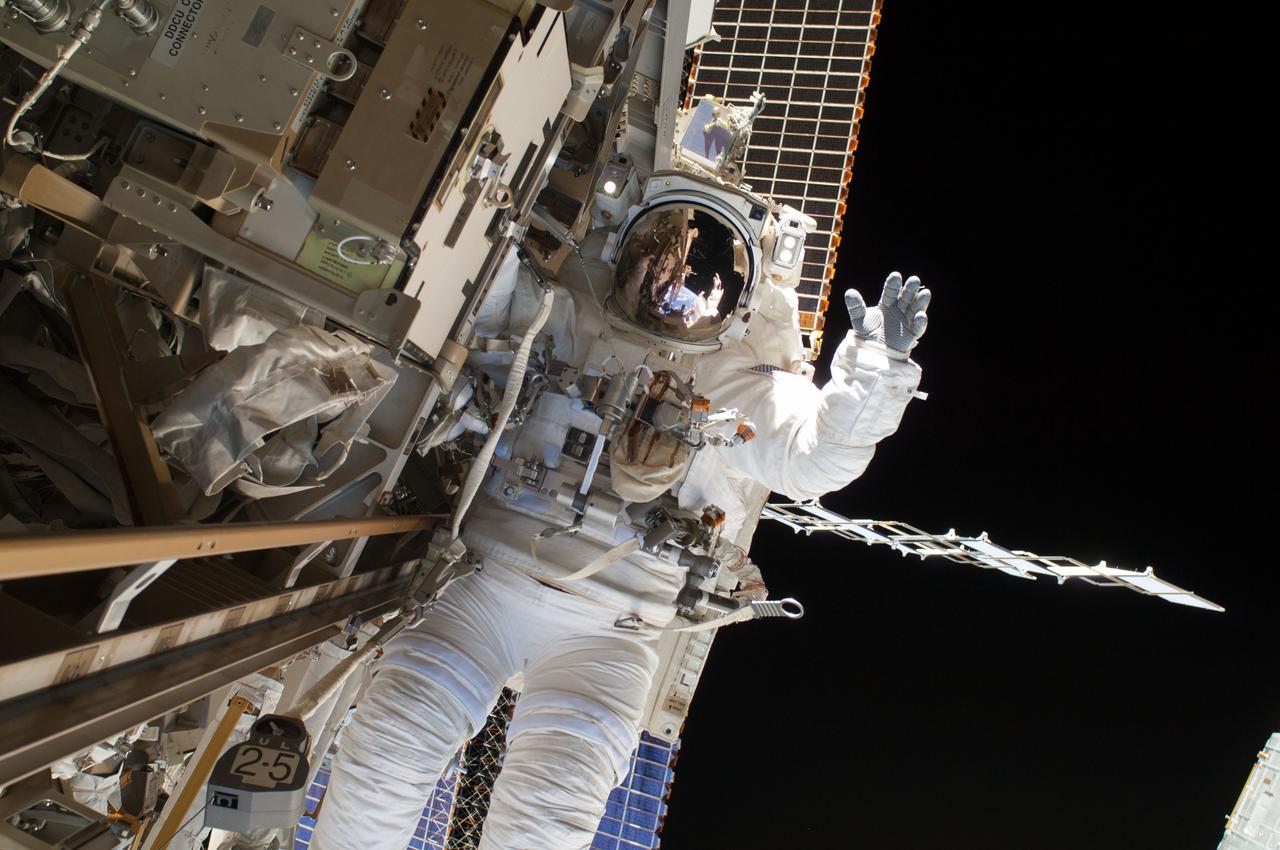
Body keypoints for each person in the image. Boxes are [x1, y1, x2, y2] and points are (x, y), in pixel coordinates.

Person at [310, 192, 930, 850]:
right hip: (483, 582)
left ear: (734, 300)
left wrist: (873, 372)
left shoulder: (742, 385)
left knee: (544, 825)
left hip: (610, 633)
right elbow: (484, 290)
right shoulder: (570, 320)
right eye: (660, 263)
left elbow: (817, 455)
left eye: (695, 280)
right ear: (628, 255)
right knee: (387, 752)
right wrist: (472, 190)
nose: (673, 290)